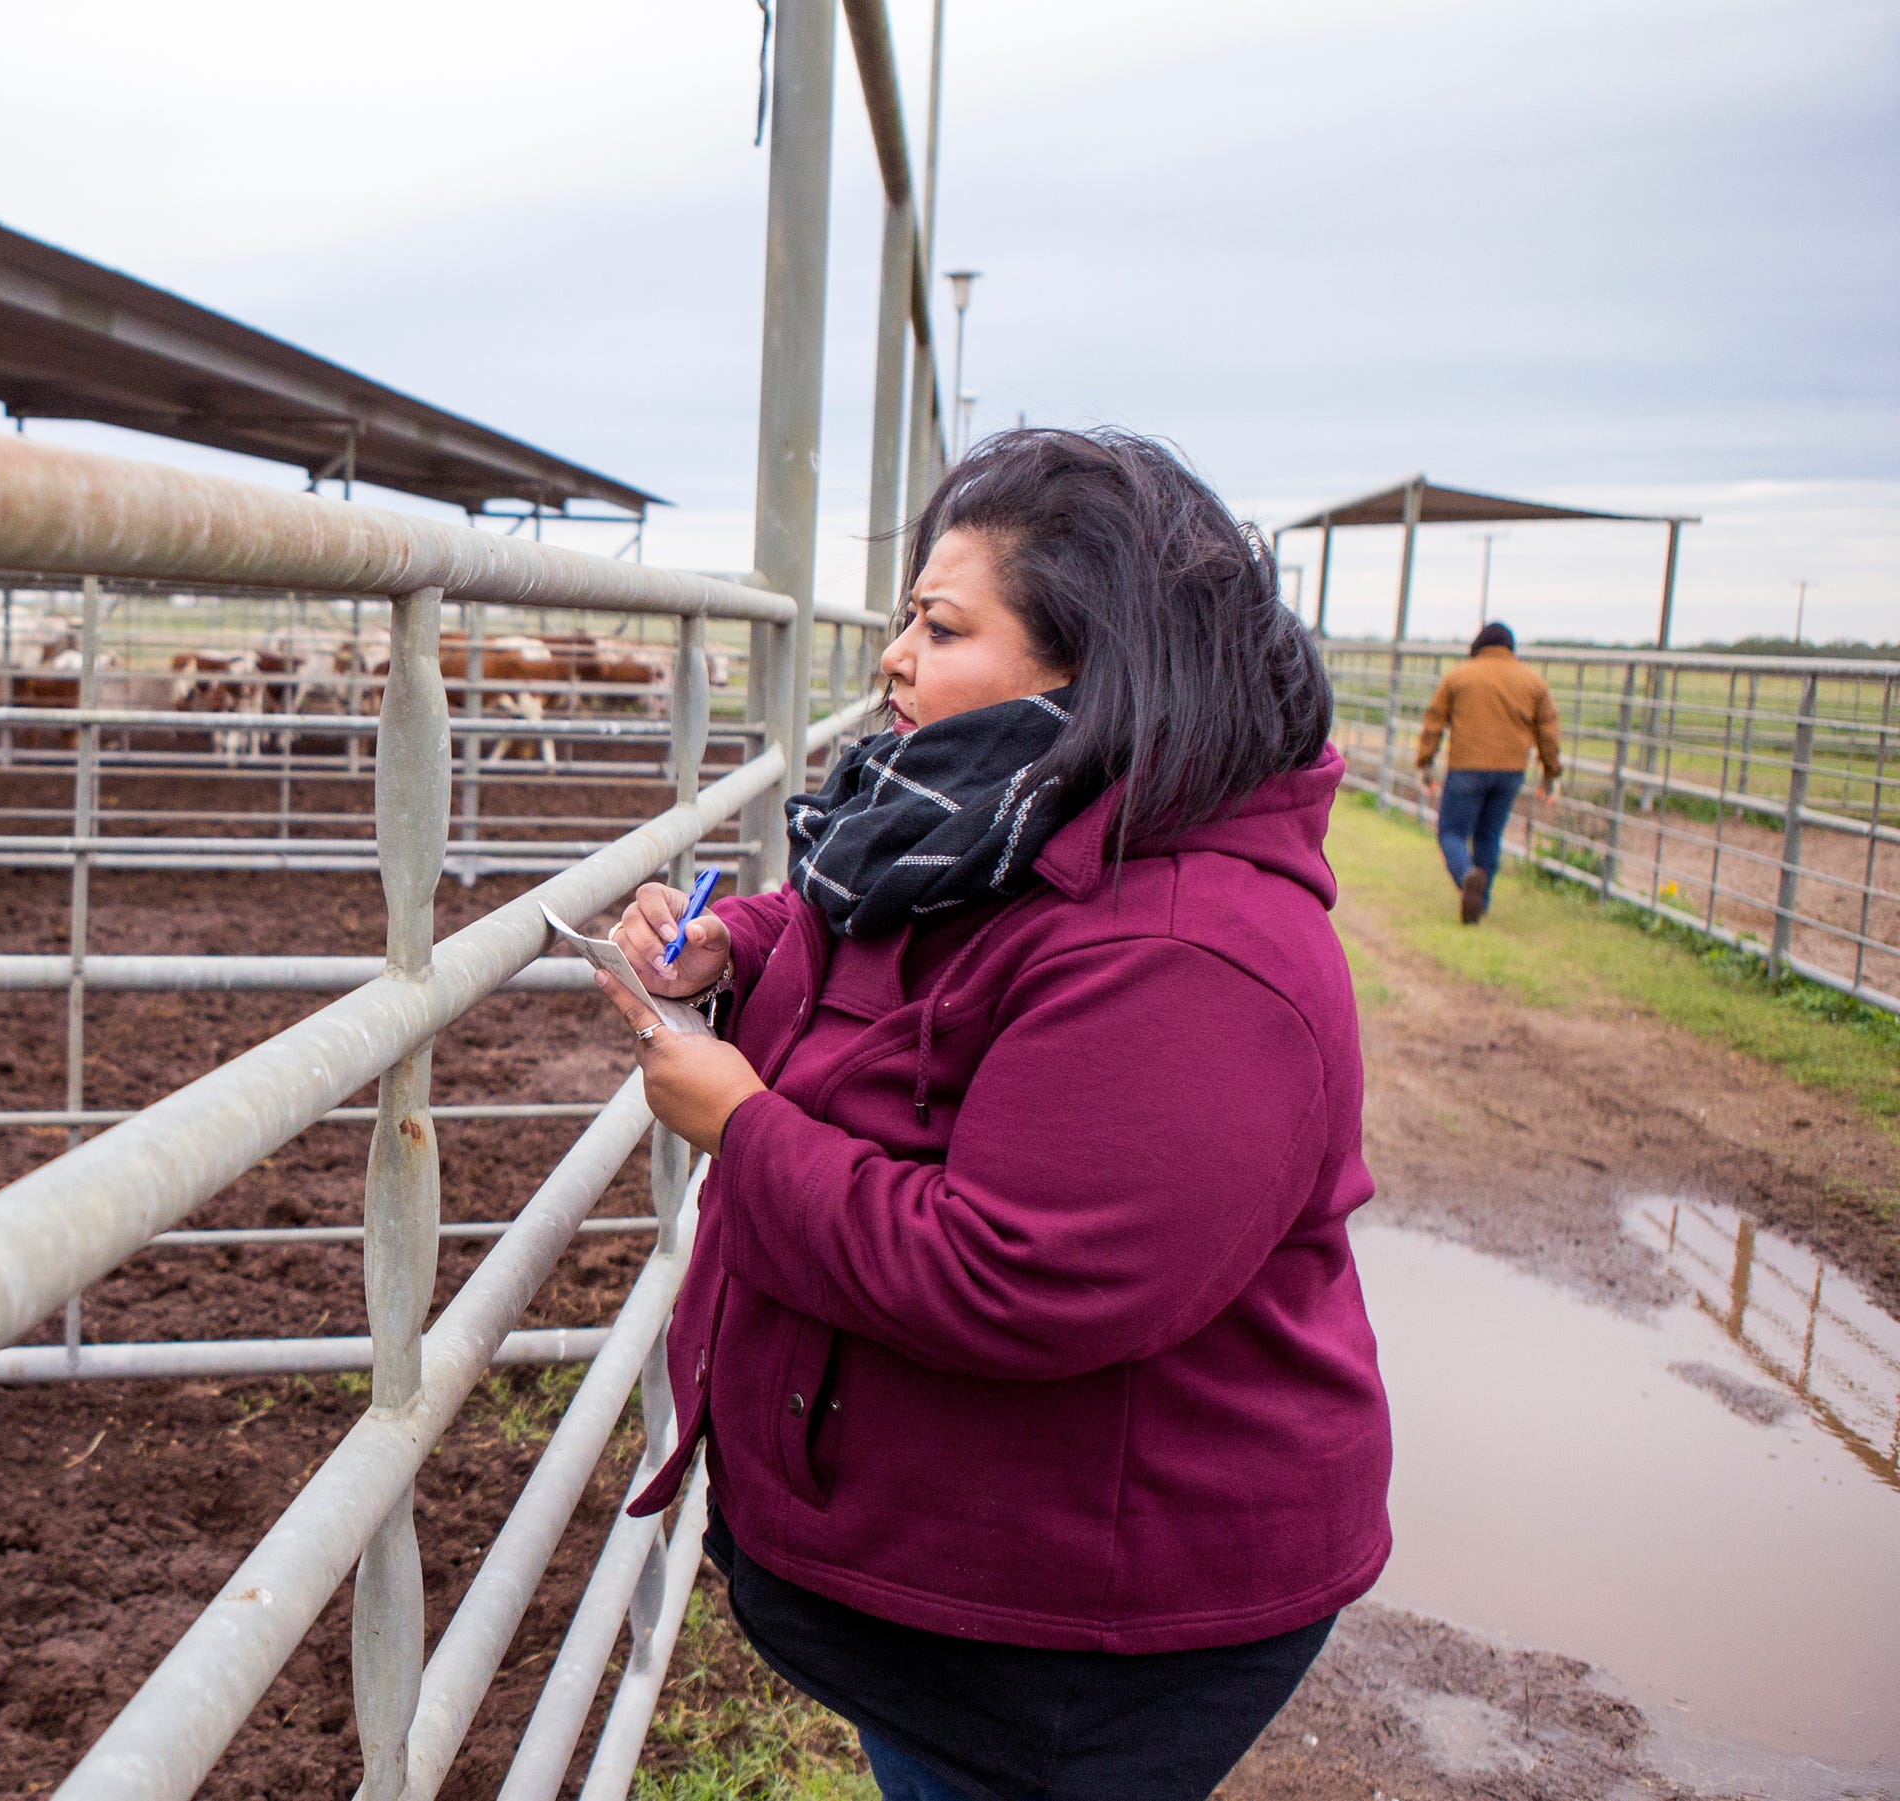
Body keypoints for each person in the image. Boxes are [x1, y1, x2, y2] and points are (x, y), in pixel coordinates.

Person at [588, 429, 1388, 1801]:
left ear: (1096, 665)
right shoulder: (1030, 819)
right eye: (906, 613)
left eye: (940, 625)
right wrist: (755, 943)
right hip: (998, 1587)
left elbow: (1017, 1271)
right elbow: (918, 962)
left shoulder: (1191, 952)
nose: (894, 655)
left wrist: (744, 1125)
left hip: (1082, 1640)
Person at [1413, 621, 1562, 924]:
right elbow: (1548, 731)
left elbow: (1434, 721)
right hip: (1511, 772)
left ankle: (1467, 876)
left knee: (1451, 832)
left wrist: (1425, 762)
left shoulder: (1459, 676)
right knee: (1489, 835)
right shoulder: (1533, 682)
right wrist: (1550, 773)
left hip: (1466, 766)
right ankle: (1480, 902)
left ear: (1478, 645)